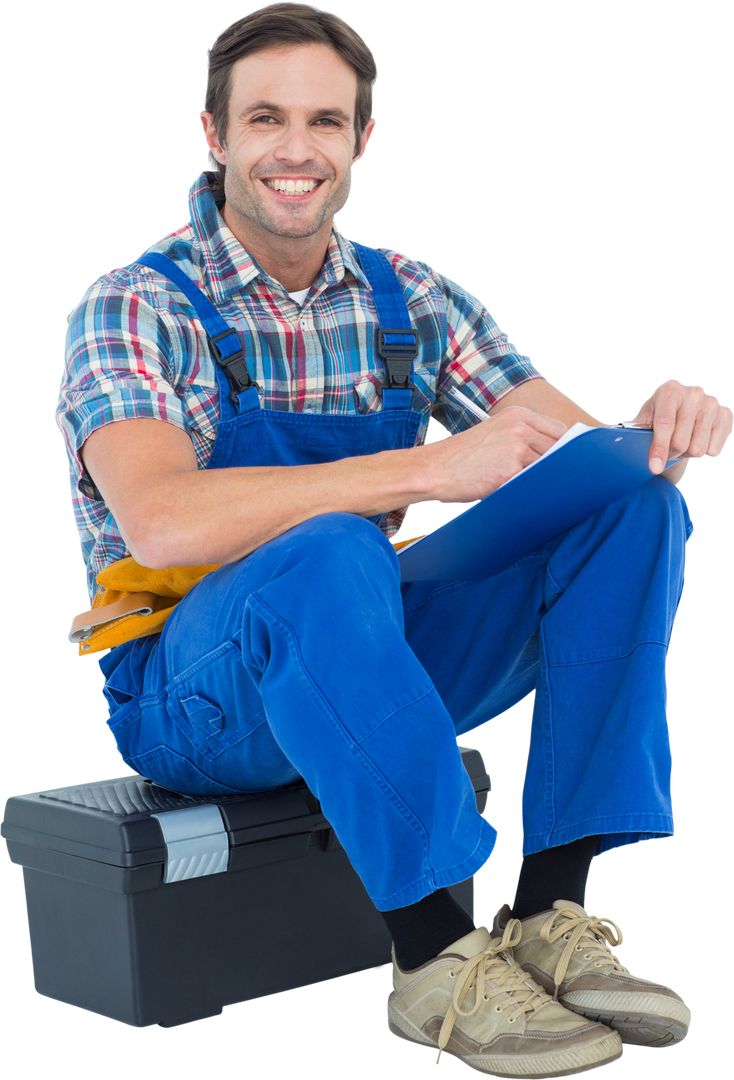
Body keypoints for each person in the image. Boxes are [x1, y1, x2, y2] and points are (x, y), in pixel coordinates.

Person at [55, 4, 729, 1074]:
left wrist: (655, 423)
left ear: (360, 142)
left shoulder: (414, 297)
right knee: (330, 548)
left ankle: (548, 913)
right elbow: (163, 517)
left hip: (363, 661)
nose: (295, 149)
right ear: (213, 136)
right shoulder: (134, 306)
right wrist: (423, 470)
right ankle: (433, 960)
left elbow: (570, 459)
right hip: (192, 698)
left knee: (630, 507)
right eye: (264, 118)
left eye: (324, 122)